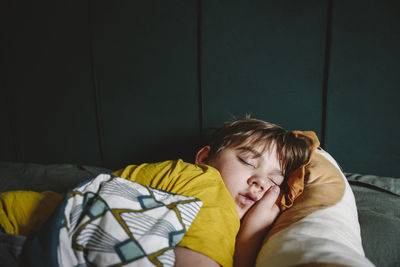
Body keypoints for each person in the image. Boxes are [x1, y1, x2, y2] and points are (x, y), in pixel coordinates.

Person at [0, 118, 315, 267]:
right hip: (17, 230)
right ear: (206, 158)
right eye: (248, 162)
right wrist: (250, 238)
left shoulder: (222, 228)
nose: (260, 182)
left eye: (275, 181)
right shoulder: (205, 182)